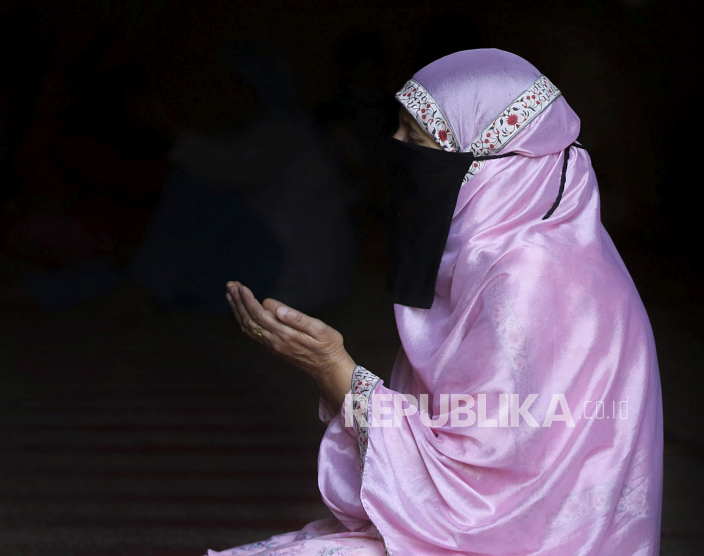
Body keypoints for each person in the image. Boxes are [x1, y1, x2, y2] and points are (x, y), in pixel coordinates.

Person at [215, 49, 663, 555]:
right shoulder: (520, 247)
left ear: (488, 156)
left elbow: (474, 494)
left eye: (417, 137)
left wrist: (332, 368)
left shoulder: (532, 274)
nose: (396, 147)